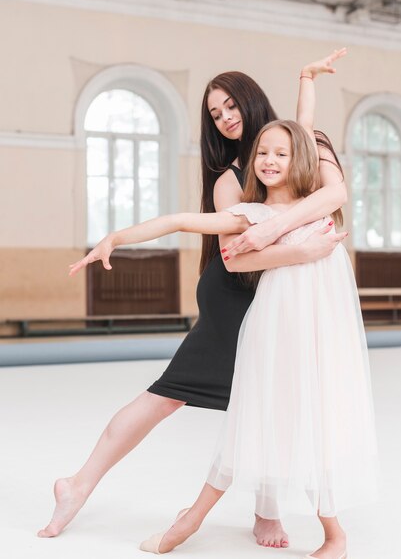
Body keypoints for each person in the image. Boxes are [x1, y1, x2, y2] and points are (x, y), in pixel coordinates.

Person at [38, 51, 348, 547]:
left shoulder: (299, 146)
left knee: (271, 398)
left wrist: (307, 78)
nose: (224, 118)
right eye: (215, 113)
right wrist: (117, 236)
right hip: (238, 288)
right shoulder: (233, 178)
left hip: (280, 285)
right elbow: (233, 249)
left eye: (230, 106)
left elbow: (324, 185)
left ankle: (266, 511)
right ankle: (77, 485)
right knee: (172, 394)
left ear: (252, 102)